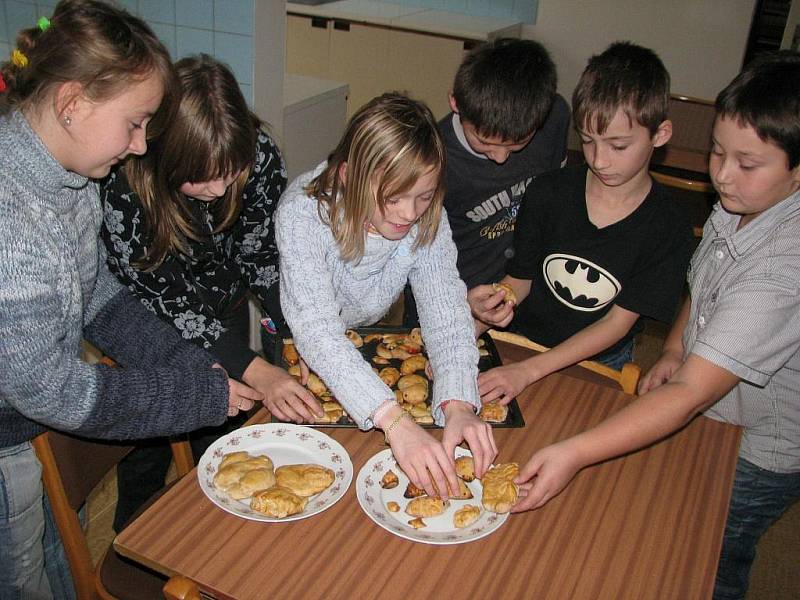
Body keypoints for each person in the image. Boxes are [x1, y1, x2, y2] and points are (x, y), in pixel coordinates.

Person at [511, 51, 800, 600]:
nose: (721, 175)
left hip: (761, 445)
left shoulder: (785, 268)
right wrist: (672, 348)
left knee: (713, 556)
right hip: (709, 405)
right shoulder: (741, 201)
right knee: (671, 521)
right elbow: (706, 282)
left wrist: (573, 452)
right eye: (718, 152)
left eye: (747, 163)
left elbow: (692, 393)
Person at [0, 2, 261, 598]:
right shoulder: (12, 218)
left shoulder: (71, 179)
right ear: (72, 105)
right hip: (6, 443)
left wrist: (185, 360)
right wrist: (191, 394)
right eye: (135, 123)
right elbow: (52, 389)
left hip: (30, 432)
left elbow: (99, 299)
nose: (143, 146)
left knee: (55, 566)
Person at [99, 54, 319, 530]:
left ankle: (219, 532)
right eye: (201, 177)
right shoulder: (125, 184)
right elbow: (167, 301)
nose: (219, 190)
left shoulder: (257, 153)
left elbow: (262, 257)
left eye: (231, 172)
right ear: (164, 154)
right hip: (152, 324)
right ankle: (134, 536)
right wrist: (256, 368)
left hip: (227, 304)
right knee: (148, 446)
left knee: (224, 437)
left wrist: (295, 333)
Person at [275, 93, 498, 499]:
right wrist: (394, 421)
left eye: (424, 196)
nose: (409, 213)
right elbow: (318, 331)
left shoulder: (425, 213)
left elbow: (446, 309)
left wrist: (459, 403)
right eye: (393, 197)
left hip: (360, 339)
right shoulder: (302, 213)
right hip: (307, 326)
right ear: (347, 175)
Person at [470, 42, 693, 404]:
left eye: (618, 146)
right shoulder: (548, 192)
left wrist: (530, 370)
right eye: (588, 141)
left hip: (598, 363)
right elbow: (520, 280)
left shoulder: (668, 226)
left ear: (660, 134)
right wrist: (486, 312)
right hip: (521, 344)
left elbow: (615, 324)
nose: (600, 160)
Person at [403, 38, 570, 326]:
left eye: (518, 143)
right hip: (447, 300)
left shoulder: (555, 117)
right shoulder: (432, 159)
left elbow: (553, 197)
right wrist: (458, 302)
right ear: (455, 102)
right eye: (484, 142)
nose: (501, 157)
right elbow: (416, 257)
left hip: (522, 289)